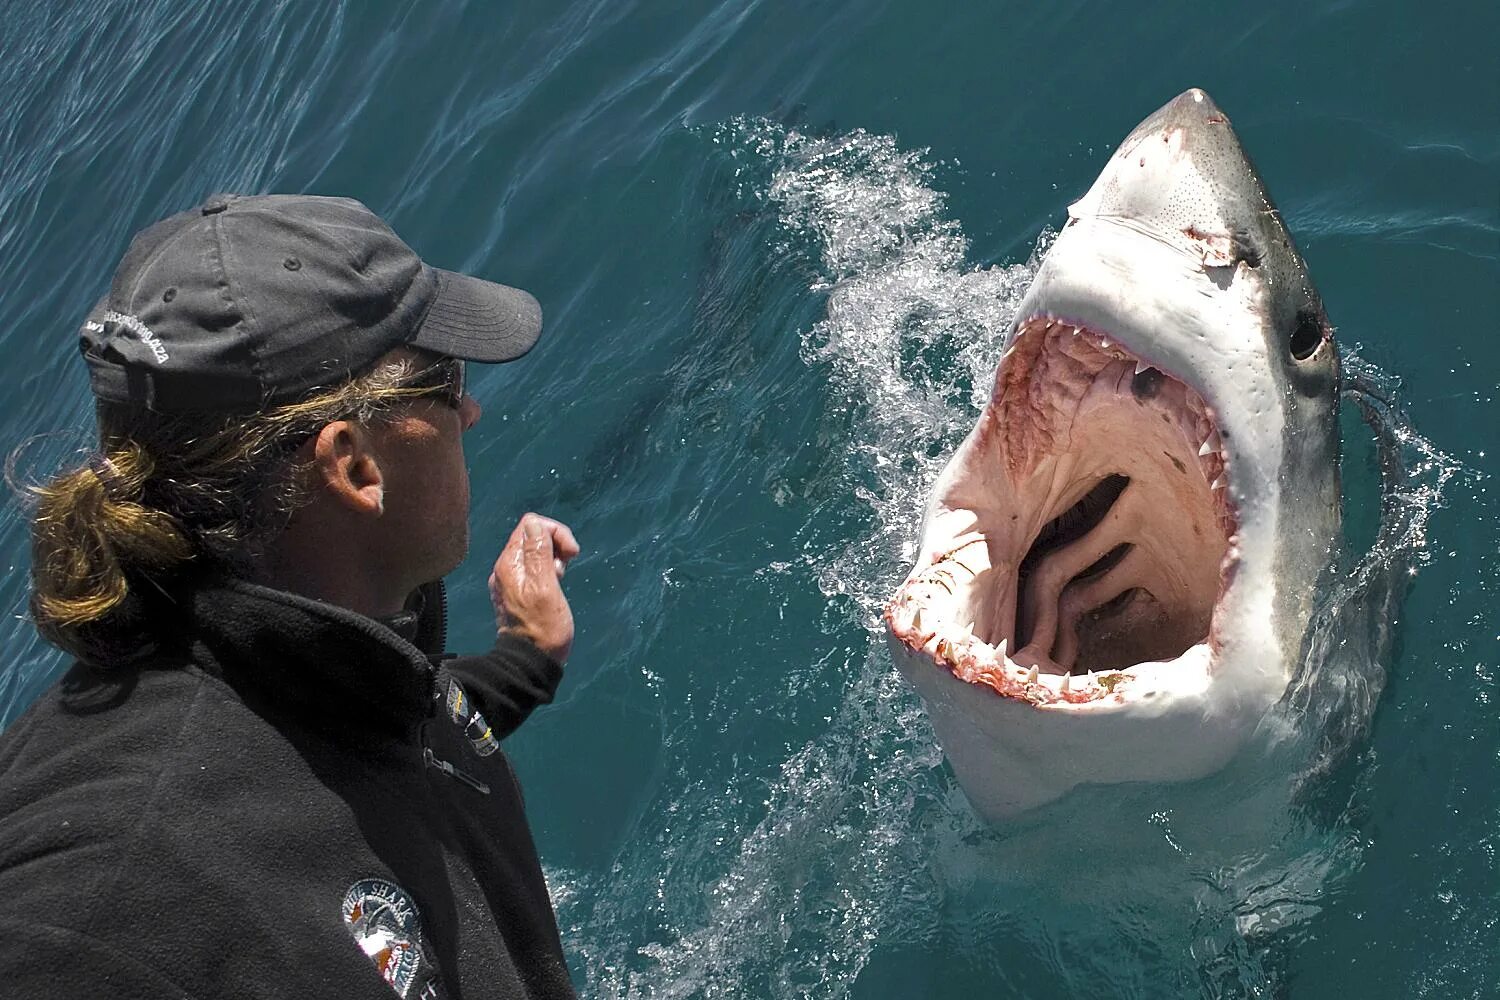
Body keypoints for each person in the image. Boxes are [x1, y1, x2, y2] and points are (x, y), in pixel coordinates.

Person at [0, 194, 582, 999]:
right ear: (355, 466)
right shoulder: (109, 894)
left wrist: (525, 657)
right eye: (444, 382)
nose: (472, 411)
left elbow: (359, 739)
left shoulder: (303, 675)